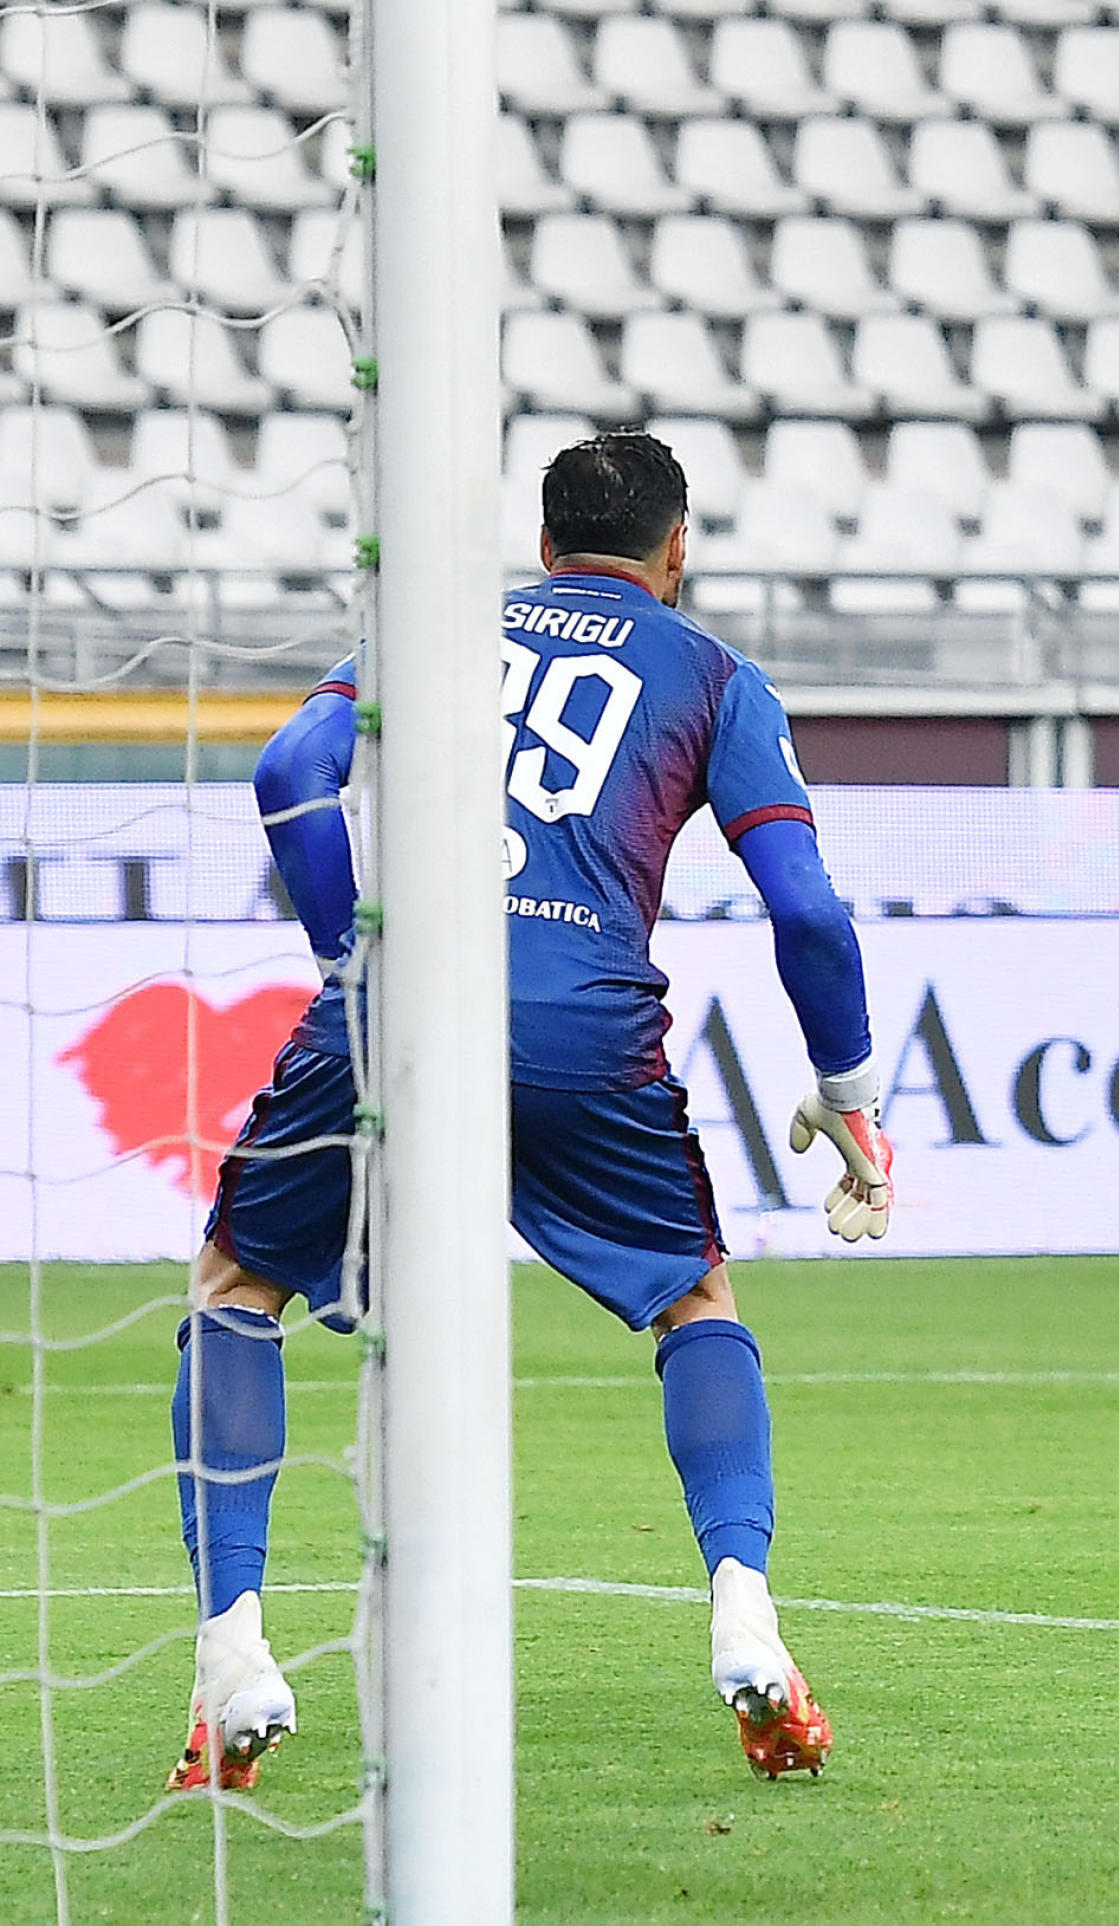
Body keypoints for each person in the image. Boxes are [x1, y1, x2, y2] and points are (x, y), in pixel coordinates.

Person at [171, 432, 895, 1790]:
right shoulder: (715, 675)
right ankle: (745, 1616)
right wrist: (852, 1094)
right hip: (588, 1024)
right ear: (676, 549)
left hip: (405, 997)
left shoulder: (437, 629)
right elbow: (806, 907)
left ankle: (234, 1647)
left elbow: (288, 777)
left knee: (236, 1287)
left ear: (547, 538)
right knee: (698, 1307)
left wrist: (353, 961)